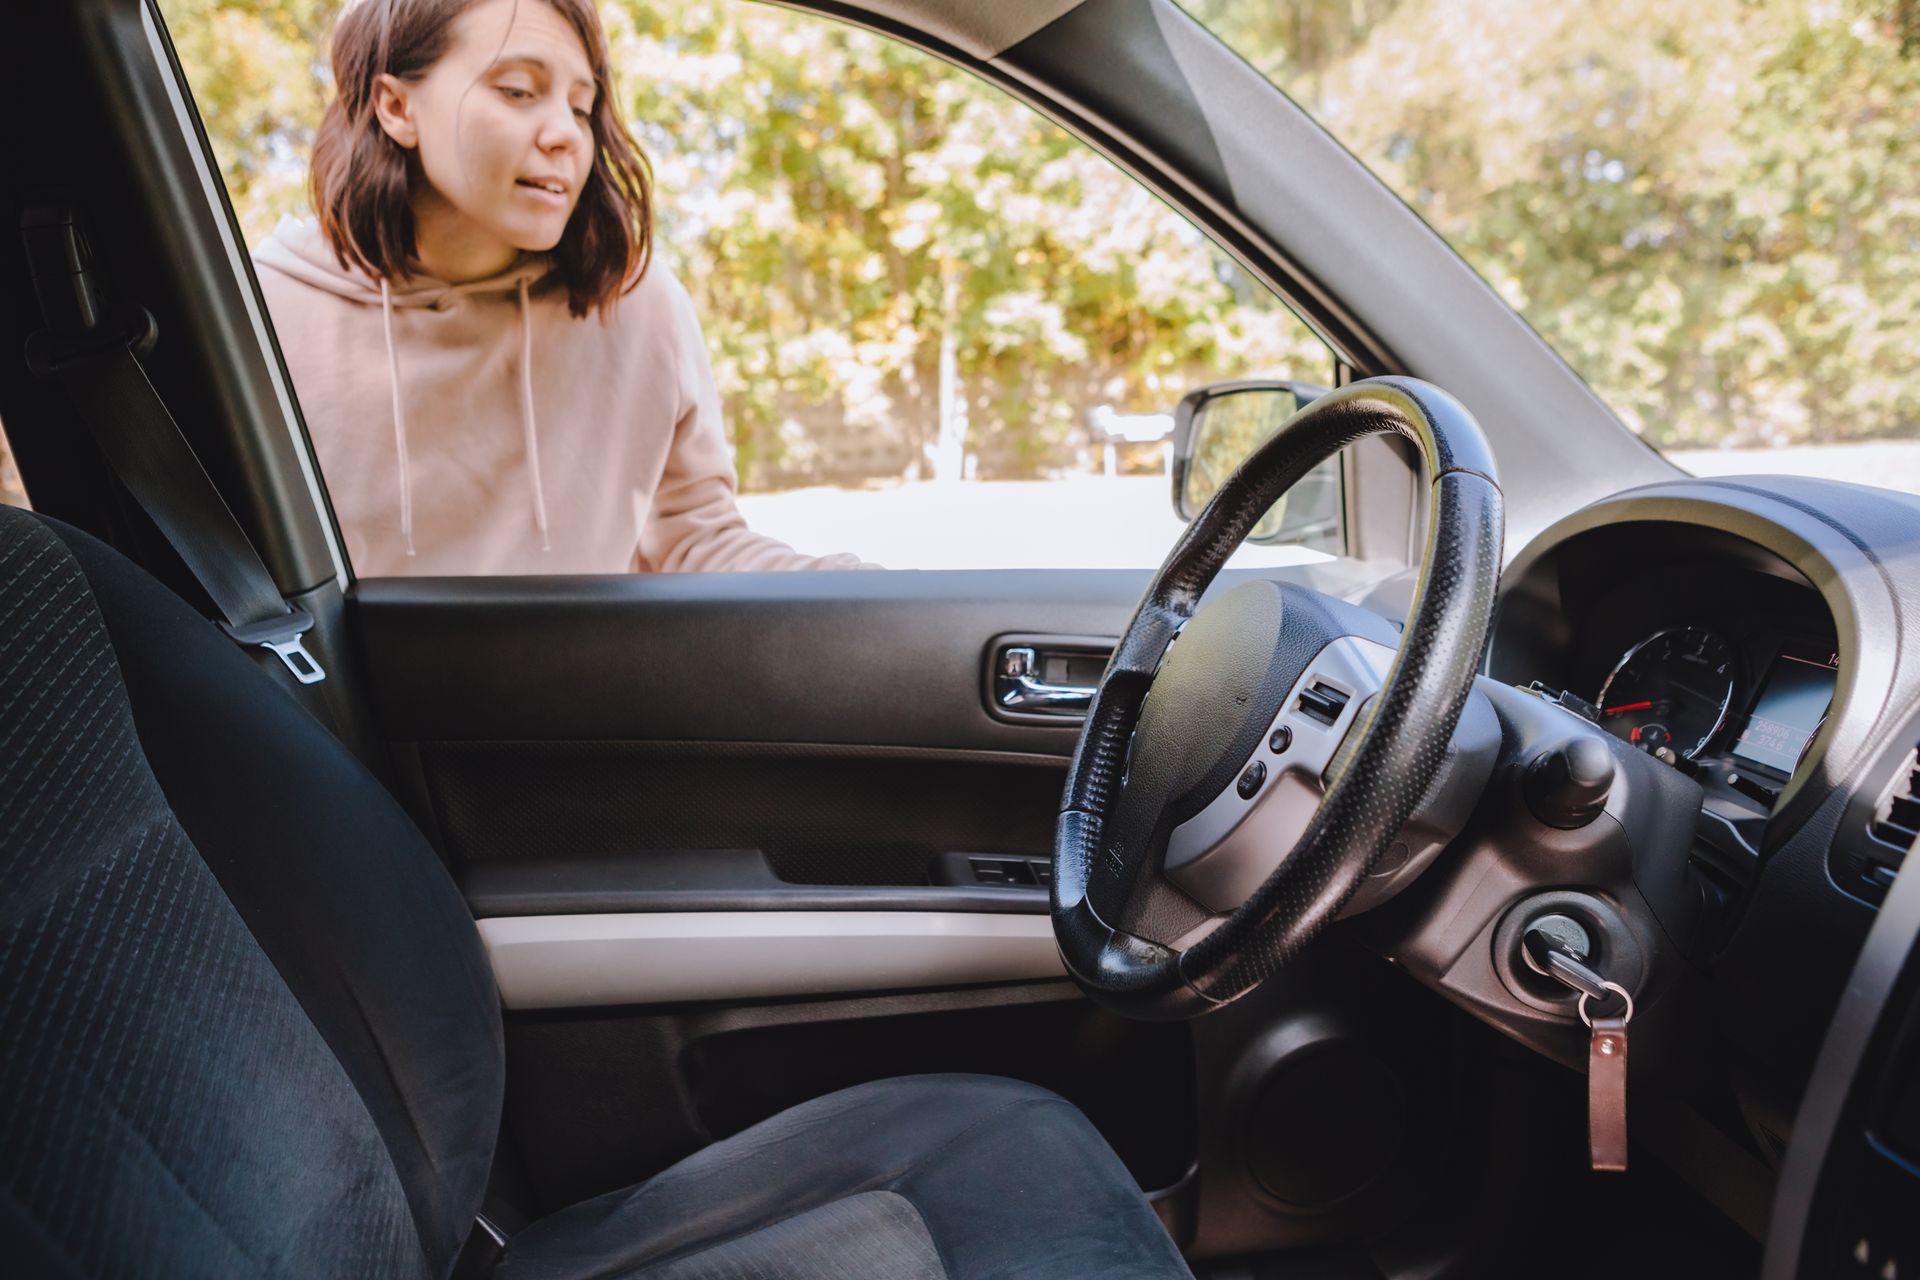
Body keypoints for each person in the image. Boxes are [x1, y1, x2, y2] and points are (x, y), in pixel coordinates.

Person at [254, 0, 868, 575]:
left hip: (578, 691)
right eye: (518, 91)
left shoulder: (635, 305)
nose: (568, 135)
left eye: (581, 107)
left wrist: (859, 593)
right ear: (396, 107)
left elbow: (695, 542)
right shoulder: (264, 317)